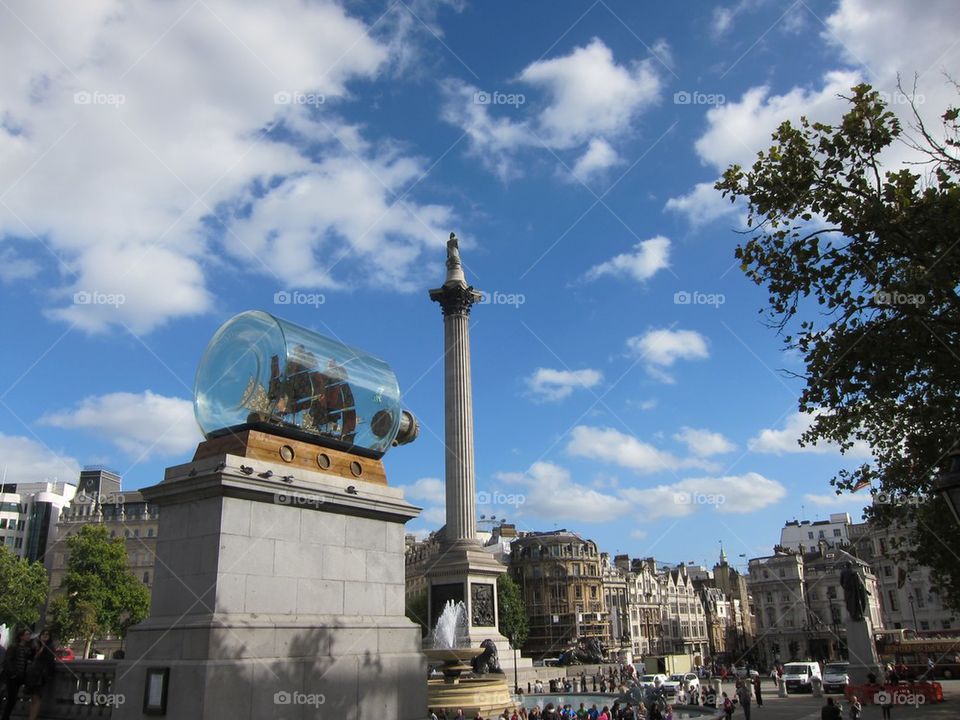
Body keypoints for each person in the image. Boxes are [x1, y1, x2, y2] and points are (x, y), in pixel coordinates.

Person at [1, 629, 33, 720]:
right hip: (12, 677)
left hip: (20, 677)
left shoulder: (27, 648)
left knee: (12, 698)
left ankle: (6, 717)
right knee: (11, 698)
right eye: (26, 634)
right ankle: (5, 717)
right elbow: (7, 661)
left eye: (29, 635)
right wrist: (13, 673)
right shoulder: (14, 647)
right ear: (21, 636)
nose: (28, 636)